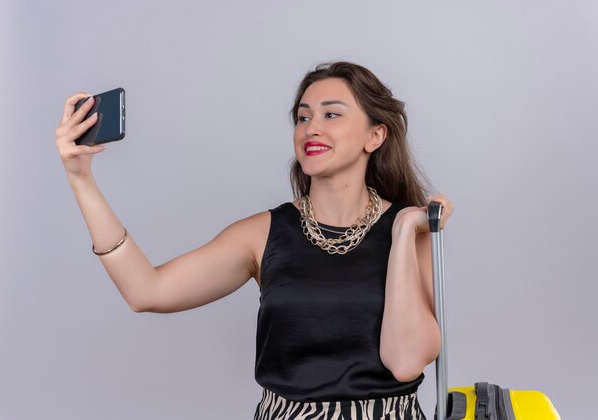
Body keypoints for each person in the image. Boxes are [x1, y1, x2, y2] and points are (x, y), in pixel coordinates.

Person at [55, 61, 453, 420]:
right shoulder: (261, 234)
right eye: (302, 117)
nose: (311, 128)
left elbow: (405, 362)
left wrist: (402, 232)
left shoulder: (413, 231)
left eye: (331, 114)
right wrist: (81, 180)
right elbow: (147, 291)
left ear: (375, 135)